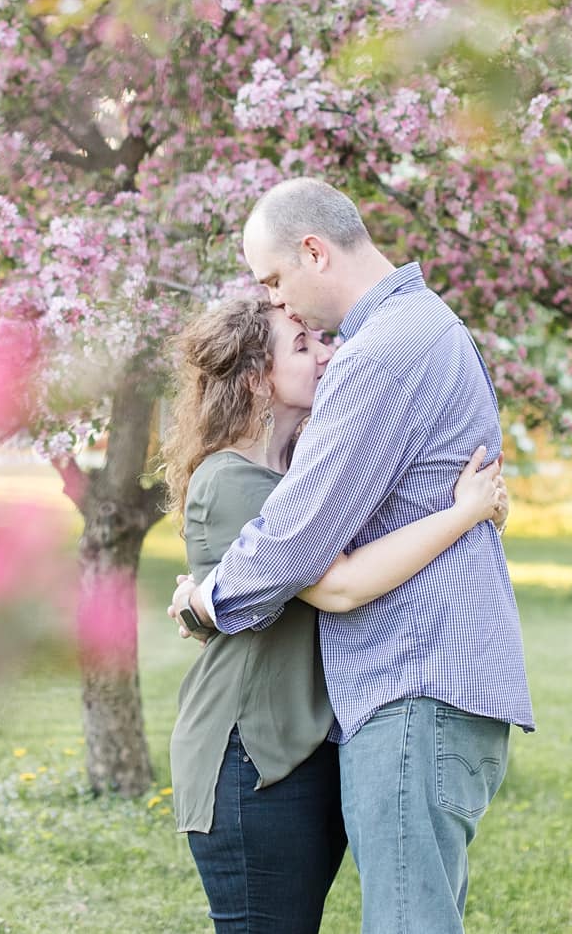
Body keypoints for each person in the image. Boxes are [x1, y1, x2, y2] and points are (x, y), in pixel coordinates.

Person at [169, 176, 534, 934]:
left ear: (314, 250)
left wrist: (208, 598)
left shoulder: (382, 351)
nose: (282, 303)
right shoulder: (422, 328)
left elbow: (302, 545)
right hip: (426, 683)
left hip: (414, 678)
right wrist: (467, 511)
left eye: (275, 280)